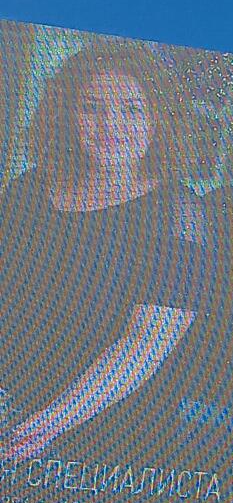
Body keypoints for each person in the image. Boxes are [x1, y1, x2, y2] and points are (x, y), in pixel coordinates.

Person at [0, 48, 210, 476]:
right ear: (67, 116)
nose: (110, 126)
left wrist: (43, 427)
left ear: (159, 120)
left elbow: (142, 347)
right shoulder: (29, 189)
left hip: (104, 434)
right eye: (91, 108)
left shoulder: (180, 214)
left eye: (131, 110)